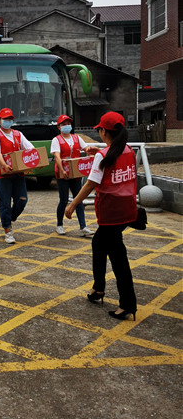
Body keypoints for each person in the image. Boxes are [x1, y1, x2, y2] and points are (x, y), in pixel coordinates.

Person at [65, 111, 138, 321]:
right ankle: (98, 289)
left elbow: (90, 184)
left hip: (110, 213)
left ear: (104, 131)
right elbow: (110, 159)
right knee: (98, 244)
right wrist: (95, 151)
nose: (98, 132)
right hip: (127, 210)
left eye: (99, 129)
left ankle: (127, 304)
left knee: (118, 258)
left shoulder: (103, 155)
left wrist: (72, 205)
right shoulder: (128, 150)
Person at [0, 108, 35, 244]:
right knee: (5, 203)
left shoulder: (18, 134)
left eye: (10, 119)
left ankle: (10, 217)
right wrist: (3, 164)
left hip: (17, 173)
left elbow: (29, 148)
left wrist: (35, 160)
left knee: (22, 200)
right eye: (5, 119)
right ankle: (7, 230)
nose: (8, 122)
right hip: (1, 175)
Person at [51, 114, 94, 237]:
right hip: (63, 175)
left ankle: (83, 227)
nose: (67, 126)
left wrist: (91, 154)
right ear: (59, 127)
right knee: (63, 200)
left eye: (68, 124)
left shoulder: (77, 138)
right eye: (64, 124)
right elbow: (57, 157)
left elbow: (86, 150)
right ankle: (59, 224)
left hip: (76, 174)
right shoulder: (56, 140)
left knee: (78, 199)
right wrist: (62, 170)